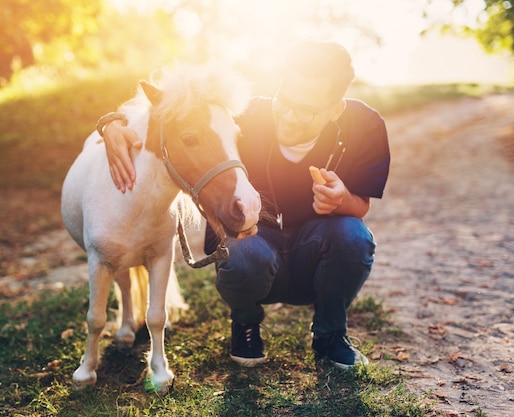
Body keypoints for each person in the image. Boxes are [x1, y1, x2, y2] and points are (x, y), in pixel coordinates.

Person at [99, 41, 390, 369]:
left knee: (355, 236)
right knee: (241, 253)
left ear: (335, 110)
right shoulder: (242, 115)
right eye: (285, 101)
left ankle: (330, 334)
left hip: (314, 255)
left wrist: (342, 200)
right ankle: (246, 324)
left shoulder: (366, 125)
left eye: (307, 110)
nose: (290, 118)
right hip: (252, 249)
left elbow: (361, 206)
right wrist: (111, 124)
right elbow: (169, 112)